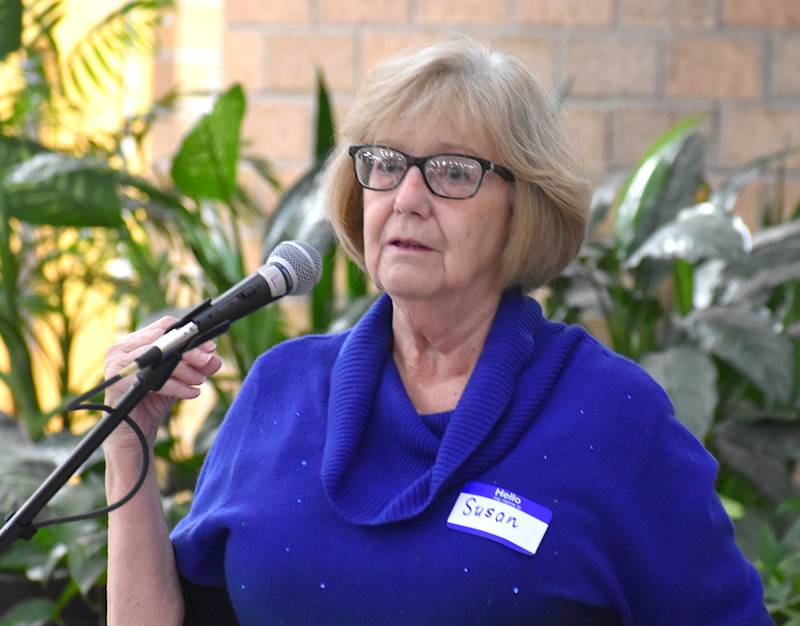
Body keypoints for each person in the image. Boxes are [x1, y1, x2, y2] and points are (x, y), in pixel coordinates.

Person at [103, 37, 772, 625]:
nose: (407, 198)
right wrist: (127, 443)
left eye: (453, 171)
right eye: (386, 164)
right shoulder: (282, 388)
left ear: (524, 207)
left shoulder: (614, 417)